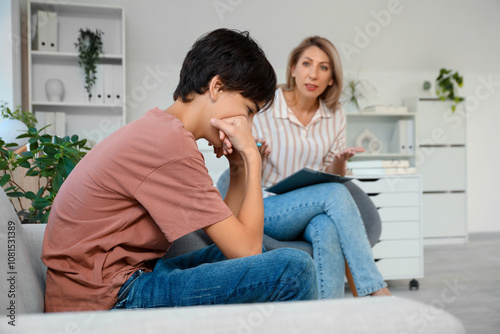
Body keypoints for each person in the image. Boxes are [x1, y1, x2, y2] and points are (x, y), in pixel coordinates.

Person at [41, 28, 318, 312]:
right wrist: (252, 158)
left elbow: (232, 241)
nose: (248, 125)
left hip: (125, 281)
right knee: (295, 269)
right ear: (217, 87)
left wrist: (237, 169)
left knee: (252, 256)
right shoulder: (170, 145)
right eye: (248, 110)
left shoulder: (163, 131)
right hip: (105, 299)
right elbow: (245, 251)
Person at [218, 36, 391, 299]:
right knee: (335, 195)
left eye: (323, 67)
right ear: (293, 69)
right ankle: (376, 289)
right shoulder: (266, 105)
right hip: (268, 206)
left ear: (331, 78)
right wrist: (256, 155)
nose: (313, 74)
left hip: (313, 208)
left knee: (327, 226)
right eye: (307, 64)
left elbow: (333, 178)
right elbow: (243, 166)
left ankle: (324, 318)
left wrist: (340, 160)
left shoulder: (334, 114)